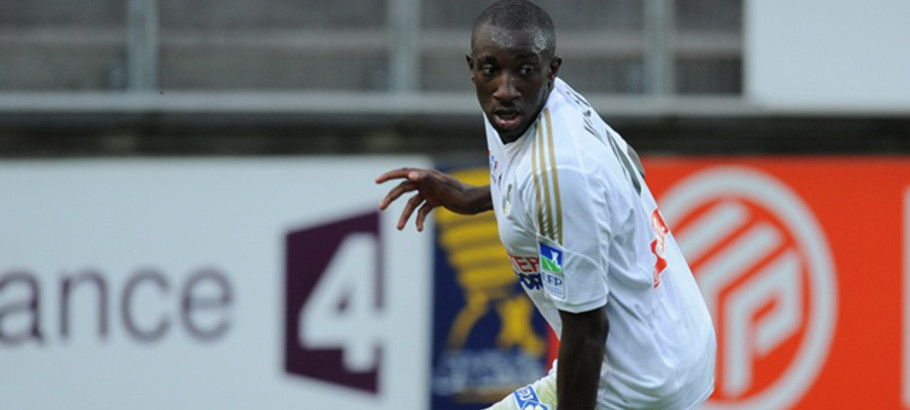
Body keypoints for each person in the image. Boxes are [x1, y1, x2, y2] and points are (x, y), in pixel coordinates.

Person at [376, 1, 716, 408]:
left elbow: (588, 333)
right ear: (472, 68)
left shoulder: (560, 171)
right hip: (673, 341)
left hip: (638, 384)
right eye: (490, 69)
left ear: (550, 71)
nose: (505, 87)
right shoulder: (525, 109)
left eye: (524, 70)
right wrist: (475, 197)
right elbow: (625, 172)